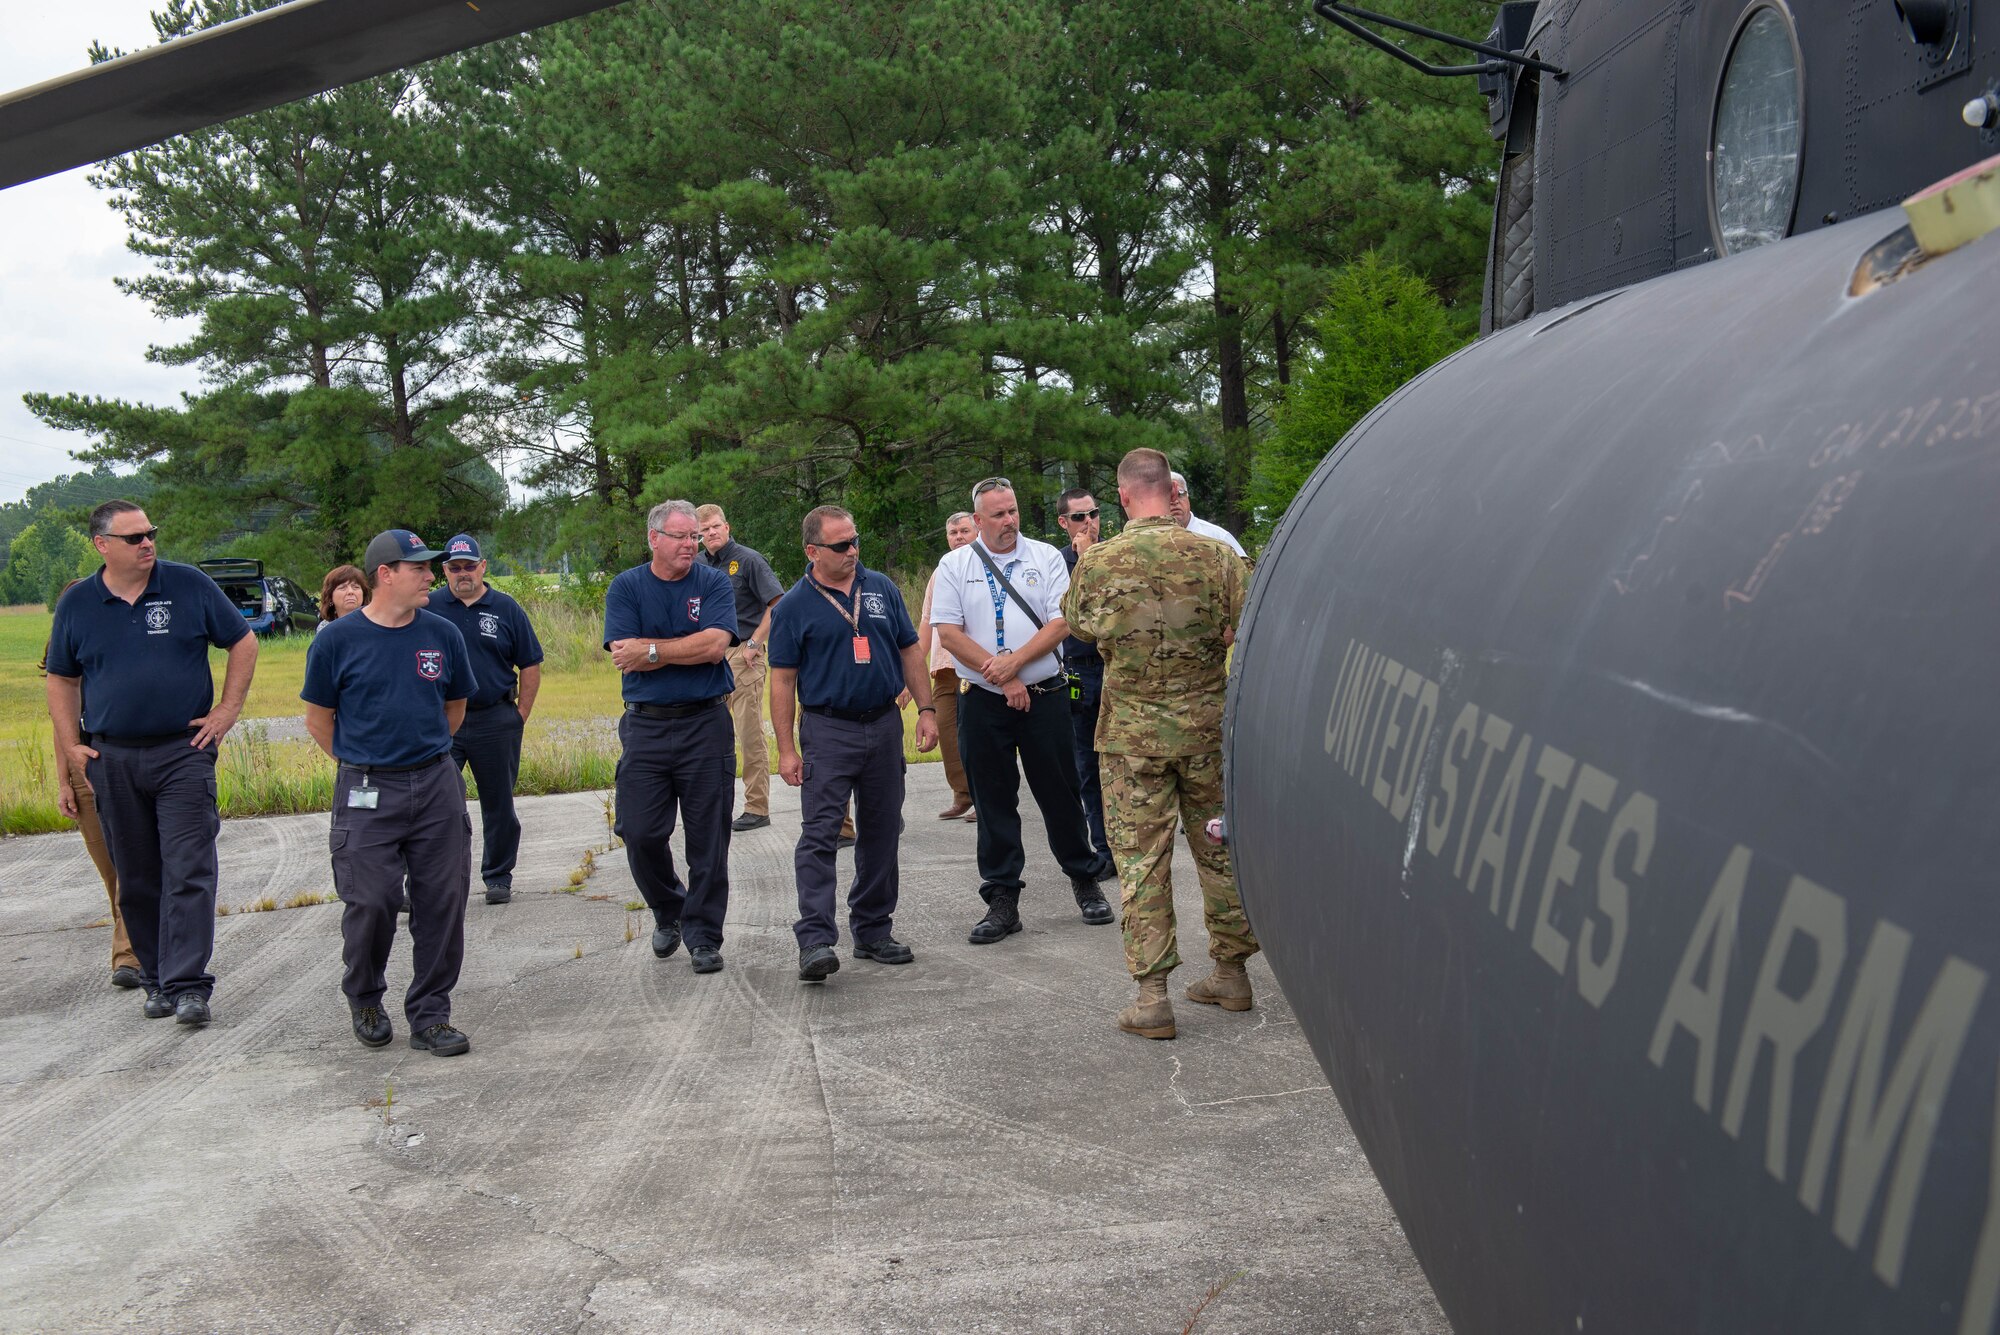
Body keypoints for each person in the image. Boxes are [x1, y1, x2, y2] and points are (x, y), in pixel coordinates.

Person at [1064, 449, 1259, 1040]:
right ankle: (1230, 972)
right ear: (1169, 493)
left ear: (1124, 496)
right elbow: (1248, 621)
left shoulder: (1098, 562)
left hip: (1132, 739)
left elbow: (1079, 624)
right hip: (1207, 730)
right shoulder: (1219, 556)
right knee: (1220, 848)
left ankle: (1152, 997)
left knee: (1142, 861)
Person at [45, 501, 259, 1027]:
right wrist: (72, 745)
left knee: (189, 868)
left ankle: (189, 986)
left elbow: (243, 640)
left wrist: (227, 711)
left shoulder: (187, 585)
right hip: (112, 756)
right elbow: (62, 678)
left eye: (151, 534)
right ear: (102, 545)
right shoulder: (78, 605)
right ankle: (156, 979)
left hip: (182, 753)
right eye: (135, 537)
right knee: (135, 875)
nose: (148, 543)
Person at [303, 529, 478, 1056]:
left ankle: (431, 1014)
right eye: (419, 568)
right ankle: (364, 996)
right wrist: (366, 763)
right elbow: (318, 720)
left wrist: (421, 757)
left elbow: (455, 708)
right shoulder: (336, 640)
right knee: (372, 899)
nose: (431, 576)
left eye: (431, 568)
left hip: (435, 781)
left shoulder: (442, 633)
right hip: (366, 787)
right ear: (386, 574)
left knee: (443, 901)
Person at [930, 477, 1115, 945]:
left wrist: (1016, 662)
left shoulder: (1045, 557)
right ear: (978, 520)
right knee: (992, 802)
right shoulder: (955, 564)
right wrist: (1003, 674)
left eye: (1012, 511)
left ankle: (1085, 879)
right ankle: (1002, 899)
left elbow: (1061, 622)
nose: (1009, 520)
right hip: (984, 701)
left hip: (1047, 694)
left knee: (1061, 793)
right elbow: (949, 634)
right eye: (998, 514)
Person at [768, 506, 938, 981]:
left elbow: (909, 649)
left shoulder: (880, 587)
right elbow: (781, 681)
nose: (852, 551)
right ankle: (816, 940)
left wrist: (926, 710)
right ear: (812, 551)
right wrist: (786, 749)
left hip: (884, 723)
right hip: (827, 728)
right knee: (821, 833)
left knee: (883, 830)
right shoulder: (793, 606)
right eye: (841, 545)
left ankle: (873, 929)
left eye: (855, 541)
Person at [604, 500, 739, 975]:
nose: (690, 545)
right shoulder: (626, 587)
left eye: (695, 538)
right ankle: (669, 909)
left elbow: (716, 645)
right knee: (639, 831)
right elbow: (624, 654)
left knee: (709, 839)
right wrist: (682, 648)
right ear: (654, 539)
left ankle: (703, 935)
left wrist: (654, 649)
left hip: (706, 723)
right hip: (647, 725)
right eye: (681, 537)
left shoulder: (714, 582)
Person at [426, 534, 544, 905]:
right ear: (444, 570)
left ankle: (497, 876)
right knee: (435, 802)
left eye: (469, 566)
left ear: (483, 567)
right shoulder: (427, 608)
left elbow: (530, 664)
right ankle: (429, 882)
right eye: (454, 568)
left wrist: (519, 714)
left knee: (498, 803)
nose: (463, 574)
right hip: (443, 722)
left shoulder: (506, 608)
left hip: (495, 718)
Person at [41, 580, 140, 991]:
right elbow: (59, 723)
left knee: (138, 866)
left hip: (121, 763)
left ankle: (130, 955)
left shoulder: (119, 647)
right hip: (84, 773)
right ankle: (137, 945)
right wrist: (63, 779)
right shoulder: (63, 662)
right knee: (112, 871)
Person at [694, 504, 787, 833]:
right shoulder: (697, 564)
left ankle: (757, 806)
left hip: (742, 654)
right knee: (709, 734)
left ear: (727, 526)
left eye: (716, 526)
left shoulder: (748, 560)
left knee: (749, 734)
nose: (711, 534)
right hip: (706, 657)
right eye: (704, 530)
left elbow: (778, 604)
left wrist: (755, 643)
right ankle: (711, 805)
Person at [1054, 487, 1114, 875]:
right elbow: (1069, 612)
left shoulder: (1116, 554)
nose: (1088, 522)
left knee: (1122, 761)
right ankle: (1103, 849)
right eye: (1079, 517)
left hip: (1114, 665)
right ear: (1064, 522)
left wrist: (1093, 555)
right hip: (1077, 667)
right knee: (1086, 765)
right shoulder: (1056, 562)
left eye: (1092, 514)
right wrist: (1080, 559)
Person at [915, 511, 977, 821]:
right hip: (944, 668)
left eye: (965, 530)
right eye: (953, 532)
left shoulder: (984, 566)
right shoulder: (940, 572)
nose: (959, 537)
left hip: (978, 668)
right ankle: (962, 794)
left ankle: (986, 797)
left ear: (977, 531)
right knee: (948, 735)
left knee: (979, 734)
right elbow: (926, 622)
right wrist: (910, 670)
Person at [1169, 471, 1248, 557]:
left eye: (1180, 494)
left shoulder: (1219, 538)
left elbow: (1246, 569)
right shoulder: (1153, 542)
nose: (1175, 501)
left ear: (1188, 496)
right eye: (1169, 496)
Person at [317, 565, 366, 632]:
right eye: (342, 588)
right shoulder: (325, 628)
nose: (350, 592)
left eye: (355, 587)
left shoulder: (376, 623)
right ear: (330, 596)